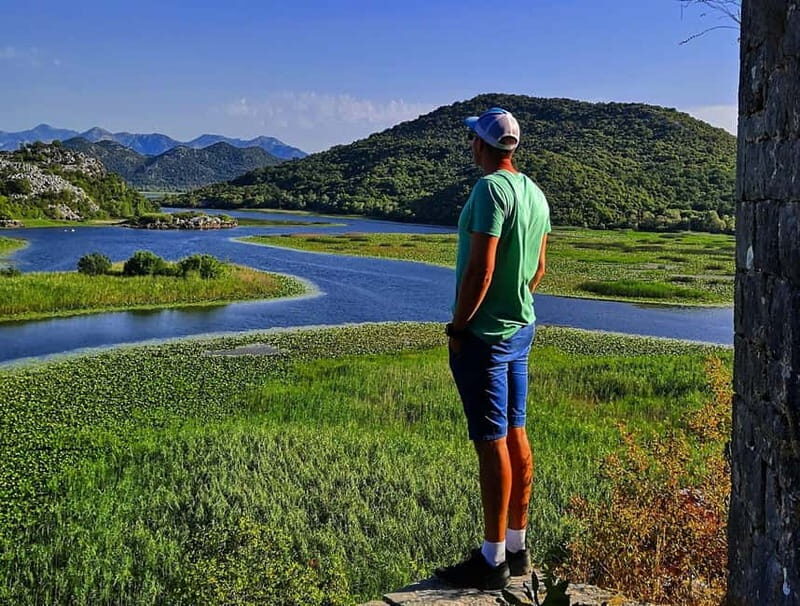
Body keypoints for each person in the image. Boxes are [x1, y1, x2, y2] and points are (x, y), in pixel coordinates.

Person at [435, 107, 551, 590]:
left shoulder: (489, 190)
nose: (471, 146)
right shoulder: (535, 193)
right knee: (516, 432)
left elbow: (480, 270)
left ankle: (492, 559)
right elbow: (539, 269)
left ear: (481, 145)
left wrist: (459, 327)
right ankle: (518, 548)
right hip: (521, 328)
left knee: (491, 442)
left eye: (472, 140)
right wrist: (515, 296)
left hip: (485, 335)